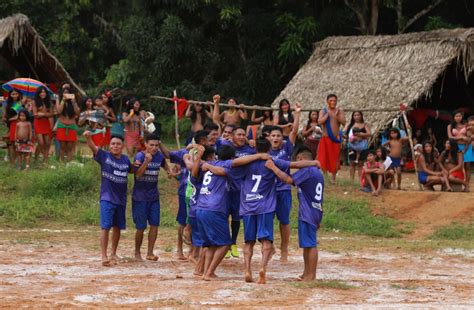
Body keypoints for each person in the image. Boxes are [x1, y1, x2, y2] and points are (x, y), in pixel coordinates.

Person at [234, 138, 319, 284]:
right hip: (265, 206)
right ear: (268, 149)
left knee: (248, 241)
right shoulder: (273, 161)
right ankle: (263, 268)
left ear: (255, 149)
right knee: (266, 241)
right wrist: (314, 162)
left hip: (248, 205)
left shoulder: (245, 161)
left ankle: (247, 269)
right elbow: (295, 164)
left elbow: (232, 164)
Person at [269, 146, 324, 282]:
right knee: (307, 244)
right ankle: (306, 273)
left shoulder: (308, 170)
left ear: (301, 159)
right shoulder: (317, 172)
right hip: (315, 209)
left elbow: (288, 180)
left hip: (308, 211)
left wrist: (273, 168)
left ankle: (311, 275)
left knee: (310, 244)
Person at [84, 131, 132, 266]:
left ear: (122, 146)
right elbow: (93, 147)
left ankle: (113, 253)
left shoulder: (125, 160)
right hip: (107, 198)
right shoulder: (104, 156)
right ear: (109, 146)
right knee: (105, 227)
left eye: (118, 144)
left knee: (117, 227)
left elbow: (134, 170)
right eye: (113, 144)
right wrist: (88, 137)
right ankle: (104, 255)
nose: (115, 146)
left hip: (121, 199)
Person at [267, 103, 301, 262]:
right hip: (267, 191)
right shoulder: (263, 150)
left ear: (282, 138)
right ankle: (270, 246)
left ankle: (284, 250)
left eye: (278, 136)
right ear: (268, 138)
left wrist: (297, 113)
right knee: (267, 220)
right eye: (273, 136)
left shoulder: (286, 148)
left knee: (284, 221)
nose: (275, 138)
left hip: (283, 190)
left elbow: (294, 131)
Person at [132, 133, 171, 262]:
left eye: (156, 145)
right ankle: (137, 253)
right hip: (140, 197)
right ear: (146, 145)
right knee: (141, 227)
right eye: (151, 145)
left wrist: (169, 171)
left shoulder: (159, 156)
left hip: (154, 197)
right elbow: (137, 175)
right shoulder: (140, 156)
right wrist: (146, 162)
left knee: (154, 224)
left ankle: (150, 252)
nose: (154, 148)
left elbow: (165, 164)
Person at [221, 127, 256, 258]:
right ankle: (224, 242)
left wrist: (249, 141)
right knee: (224, 216)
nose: (241, 137)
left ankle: (233, 243)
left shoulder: (250, 149)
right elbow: (222, 143)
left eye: (243, 135)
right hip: (226, 188)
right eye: (239, 135)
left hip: (241, 189)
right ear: (232, 137)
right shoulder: (226, 146)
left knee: (236, 218)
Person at [317, 94, 346, 184]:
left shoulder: (340, 111)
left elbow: (344, 122)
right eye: (331, 100)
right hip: (325, 138)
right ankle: (325, 177)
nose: (333, 102)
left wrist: (336, 115)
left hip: (335, 139)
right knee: (323, 158)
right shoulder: (323, 111)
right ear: (327, 101)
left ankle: (333, 179)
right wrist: (327, 115)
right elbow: (319, 121)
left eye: (334, 100)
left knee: (335, 158)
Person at [447, 111, 471, 192]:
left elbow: (468, 138)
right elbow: (450, 137)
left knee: (467, 167)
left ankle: (467, 186)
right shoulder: (450, 126)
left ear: (462, 117)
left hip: (467, 147)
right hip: (456, 147)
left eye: (460, 116)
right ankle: (460, 182)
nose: (458, 118)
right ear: (453, 117)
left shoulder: (466, 125)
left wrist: (465, 148)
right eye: (456, 116)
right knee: (457, 165)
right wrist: (461, 137)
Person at [344, 111, 371, 183]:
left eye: (358, 115)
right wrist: (349, 138)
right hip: (351, 147)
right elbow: (345, 134)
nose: (356, 117)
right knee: (352, 163)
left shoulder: (365, 125)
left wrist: (361, 135)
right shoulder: (350, 125)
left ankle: (360, 181)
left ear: (361, 116)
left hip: (362, 147)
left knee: (360, 163)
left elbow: (369, 134)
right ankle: (351, 181)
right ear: (353, 117)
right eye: (355, 115)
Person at [56, 87, 80, 162]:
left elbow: (78, 113)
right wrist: (63, 100)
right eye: (64, 92)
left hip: (71, 127)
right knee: (62, 147)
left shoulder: (73, 101)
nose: (66, 94)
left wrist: (74, 102)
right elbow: (59, 111)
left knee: (70, 147)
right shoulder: (59, 100)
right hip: (62, 126)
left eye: (68, 93)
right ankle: (61, 163)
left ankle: (69, 164)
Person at [32, 86, 54, 163]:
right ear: (38, 93)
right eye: (41, 92)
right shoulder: (34, 101)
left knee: (47, 143)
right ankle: (36, 158)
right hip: (38, 123)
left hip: (46, 123)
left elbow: (52, 114)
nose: (43, 93)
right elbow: (35, 115)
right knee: (41, 143)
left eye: (44, 92)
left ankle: (45, 160)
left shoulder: (49, 102)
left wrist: (42, 114)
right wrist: (46, 114)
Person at [3, 88, 24, 165]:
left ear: (19, 94)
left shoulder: (21, 103)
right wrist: (7, 120)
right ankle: (12, 162)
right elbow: (4, 116)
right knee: (11, 142)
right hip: (11, 124)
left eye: (16, 94)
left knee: (17, 142)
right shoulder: (6, 103)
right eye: (13, 94)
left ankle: (16, 161)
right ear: (10, 95)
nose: (14, 95)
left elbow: (22, 115)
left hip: (20, 124)